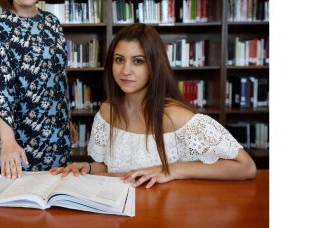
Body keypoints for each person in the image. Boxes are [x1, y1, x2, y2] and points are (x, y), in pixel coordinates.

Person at [50, 23, 257, 188]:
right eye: (119, 60)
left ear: (154, 65)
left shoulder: (176, 117)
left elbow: (245, 167)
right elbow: (109, 167)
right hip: (119, 210)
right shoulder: (106, 111)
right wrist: (86, 167)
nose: (125, 71)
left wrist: (170, 170)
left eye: (138, 61)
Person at [0, 0, 72, 179]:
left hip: (58, 136)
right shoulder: (2, 28)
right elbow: (0, 91)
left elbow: (59, 79)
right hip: (20, 143)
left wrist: (68, 119)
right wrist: (7, 142)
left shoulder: (53, 23)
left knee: (59, 203)